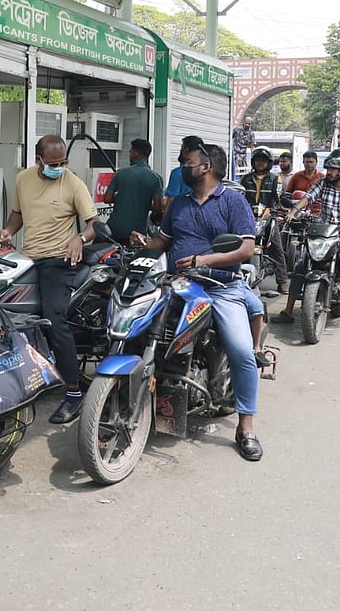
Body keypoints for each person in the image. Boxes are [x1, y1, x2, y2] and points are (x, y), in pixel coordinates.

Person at [131, 137, 265, 461]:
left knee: (242, 351)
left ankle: (246, 426)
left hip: (221, 288)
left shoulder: (233, 202)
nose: (183, 166)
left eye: (188, 161)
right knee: (137, 331)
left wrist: (204, 261)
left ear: (205, 166)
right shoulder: (178, 203)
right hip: (176, 284)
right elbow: (162, 242)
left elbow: (246, 249)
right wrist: (142, 243)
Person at [0, 134, 98, 425]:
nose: (59, 167)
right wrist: (7, 231)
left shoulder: (73, 183)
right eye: (53, 163)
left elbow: (93, 225)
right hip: (27, 258)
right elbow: (18, 215)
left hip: (58, 260)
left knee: (54, 319)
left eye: (63, 161)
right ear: (38, 160)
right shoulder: (24, 179)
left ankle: (74, 392)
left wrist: (79, 238)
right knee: (9, 315)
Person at [274, 148, 340, 337]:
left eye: (333, 169)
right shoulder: (323, 183)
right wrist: (293, 213)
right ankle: (289, 311)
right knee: (301, 267)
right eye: (329, 168)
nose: (329, 172)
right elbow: (308, 198)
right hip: (324, 231)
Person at [240, 146, 289, 294]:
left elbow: (280, 197)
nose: (260, 163)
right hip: (247, 216)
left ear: (269, 163)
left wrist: (284, 206)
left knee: (277, 249)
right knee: (236, 244)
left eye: (263, 160)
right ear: (253, 162)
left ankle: (282, 281)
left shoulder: (276, 179)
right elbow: (239, 196)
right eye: (258, 160)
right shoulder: (246, 178)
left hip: (268, 216)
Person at [104, 138, 163, 242]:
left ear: (135, 153)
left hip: (113, 230)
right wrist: (144, 202)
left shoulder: (121, 173)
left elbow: (107, 198)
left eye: (130, 152)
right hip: (137, 235)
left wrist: (121, 197)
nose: (130, 155)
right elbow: (157, 208)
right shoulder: (156, 178)